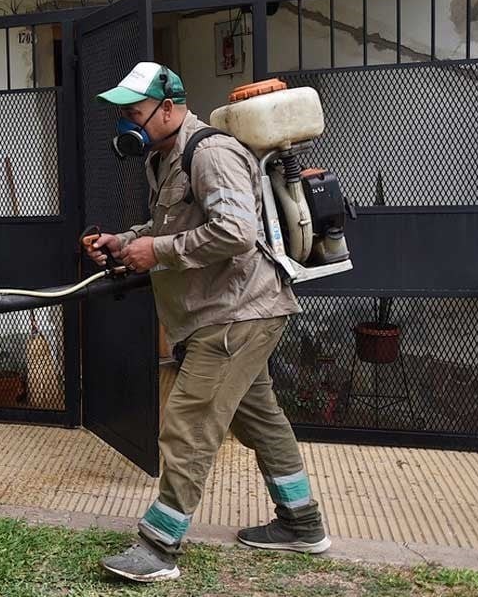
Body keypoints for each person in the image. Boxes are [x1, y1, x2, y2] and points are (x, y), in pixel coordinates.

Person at [86, 62, 330, 583]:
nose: (126, 123)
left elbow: (235, 233)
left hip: (235, 312)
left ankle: (159, 546)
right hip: (228, 311)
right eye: (123, 114)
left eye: (134, 112)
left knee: (188, 425)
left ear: (168, 108)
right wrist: (125, 242)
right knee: (259, 419)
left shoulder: (210, 152)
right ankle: (302, 523)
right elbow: (169, 225)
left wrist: (158, 251)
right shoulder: (163, 158)